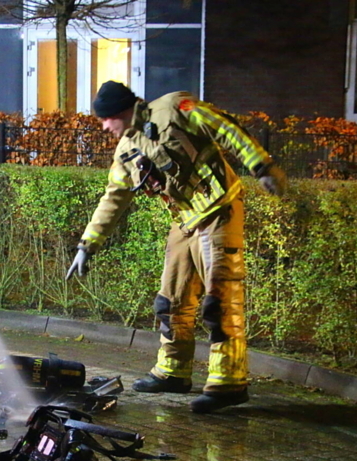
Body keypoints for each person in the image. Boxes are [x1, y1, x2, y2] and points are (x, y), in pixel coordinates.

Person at [66, 81, 287, 413]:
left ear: (121, 112)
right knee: (171, 300)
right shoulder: (126, 150)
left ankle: (229, 381)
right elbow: (113, 197)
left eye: (105, 119)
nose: (103, 127)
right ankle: (172, 371)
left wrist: (261, 166)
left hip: (218, 208)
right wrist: (87, 244)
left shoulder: (174, 108)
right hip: (184, 218)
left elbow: (224, 127)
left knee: (219, 299)